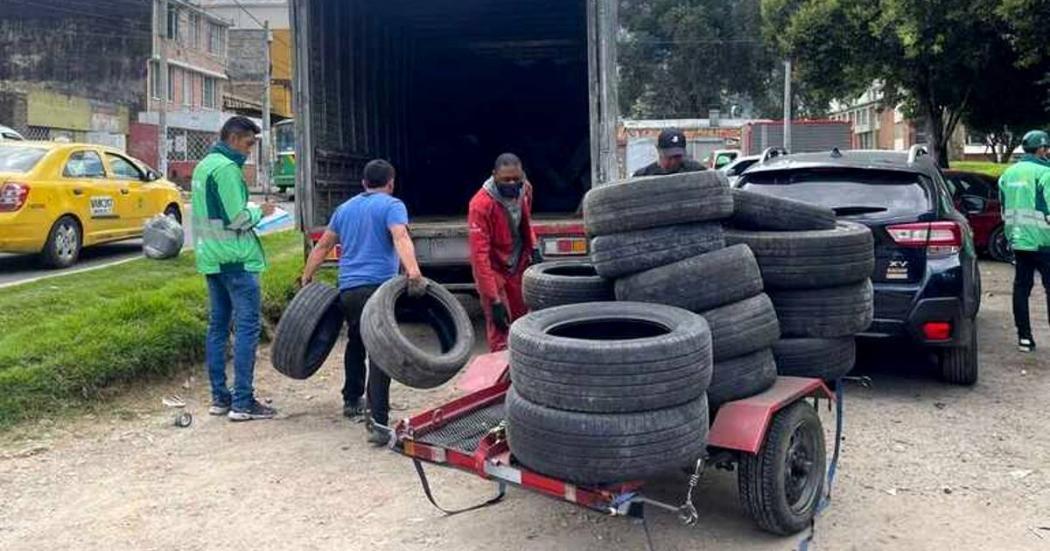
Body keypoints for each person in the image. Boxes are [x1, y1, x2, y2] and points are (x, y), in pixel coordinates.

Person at [300, 159, 425, 445]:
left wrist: (307, 276)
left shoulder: (344, 209)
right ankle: (377, 418)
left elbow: (323, 245)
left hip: (349, 290)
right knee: (381, 350)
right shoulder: (392, 205)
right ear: (390, 183)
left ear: (363, 183)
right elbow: (400, 236)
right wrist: (413, 271)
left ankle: (352, 398)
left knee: (357, 339)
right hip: (378, 289)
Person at [191, 116, 277, 421]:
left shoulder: (203, 166)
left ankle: (220, 398)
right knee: (246, 329)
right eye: (249, 144)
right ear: (235, 138)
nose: (249, 151)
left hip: (212, 258)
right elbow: (237, 218)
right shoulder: (227, 169)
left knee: (217, 327)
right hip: (236, 260)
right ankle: (242, 402)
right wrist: (260, 211)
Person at [468, 153, 541, 352]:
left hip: (516, 265)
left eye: (515, 179)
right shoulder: (481, 205)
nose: (511, 183)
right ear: (494, 176)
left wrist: (533, 247)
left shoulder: (525, 189)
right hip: (494, 269)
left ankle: (521, 377)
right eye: (505, 180)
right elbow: (479, 257)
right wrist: (494, 301)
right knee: (501, 330)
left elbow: (525, 218)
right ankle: (501, 380)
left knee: (523, 325)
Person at [999, 129, 1050, 352]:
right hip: (1045, 242)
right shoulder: (1045, 173)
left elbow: (1003, 208)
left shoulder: (1008, 175)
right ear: (1040, 149)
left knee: (1021, 288)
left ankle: (1024, 338)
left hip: (1018, 241)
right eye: (1047, 148)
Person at [633, 128, 706, 177]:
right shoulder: (643, 175)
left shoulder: (696, 172)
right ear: (658, 150)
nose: (673, 162)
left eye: (678, 156)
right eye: (669, 157)